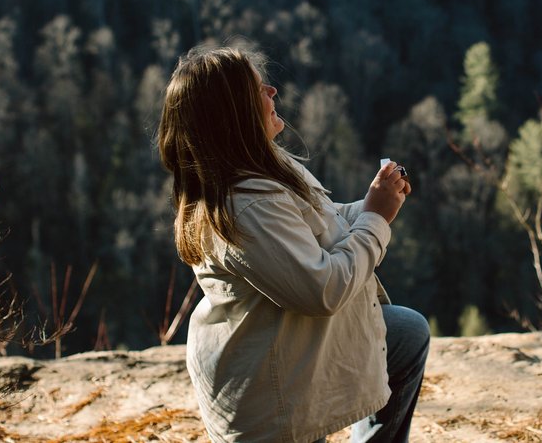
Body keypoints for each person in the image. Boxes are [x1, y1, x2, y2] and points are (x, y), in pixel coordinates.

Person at [157, 44, 429, 443]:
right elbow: (323, 289)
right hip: (272, 394)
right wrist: (375, 218)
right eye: (257, 89)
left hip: (290, 349)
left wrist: (376, 201)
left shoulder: (262, 167)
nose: (271, 91)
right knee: (403, 333)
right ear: (233, 114)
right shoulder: (243, 206)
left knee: (404, 333)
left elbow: (319, 224)